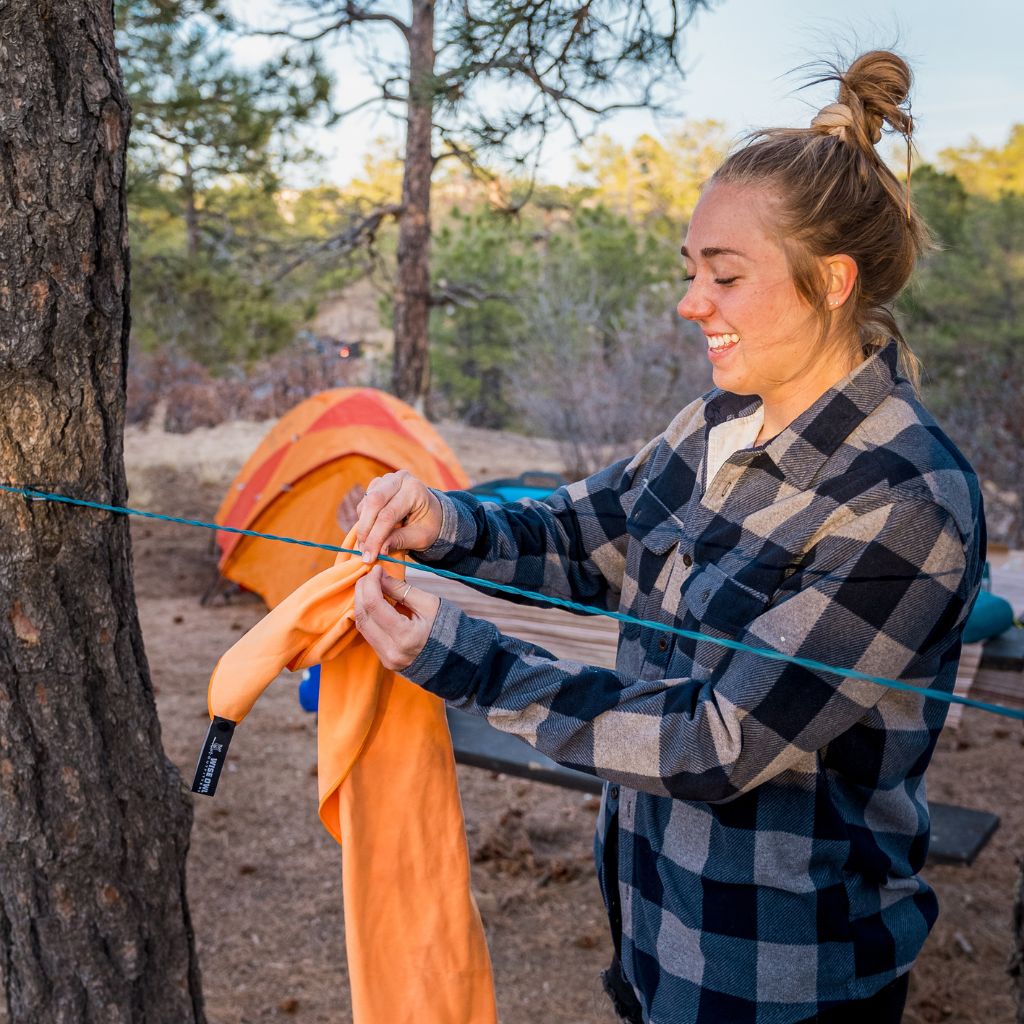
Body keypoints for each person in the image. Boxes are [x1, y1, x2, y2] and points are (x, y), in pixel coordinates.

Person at [352, 49, 986, 1024]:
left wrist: (469, 663)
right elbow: (583, 535)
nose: (692, 303)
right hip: (656, 927)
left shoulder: (906, 501)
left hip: (784, 976)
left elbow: (714, 743)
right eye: (691, 272)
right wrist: (443, 520)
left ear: (831, 281)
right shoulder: (714, 424)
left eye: (724, 276)